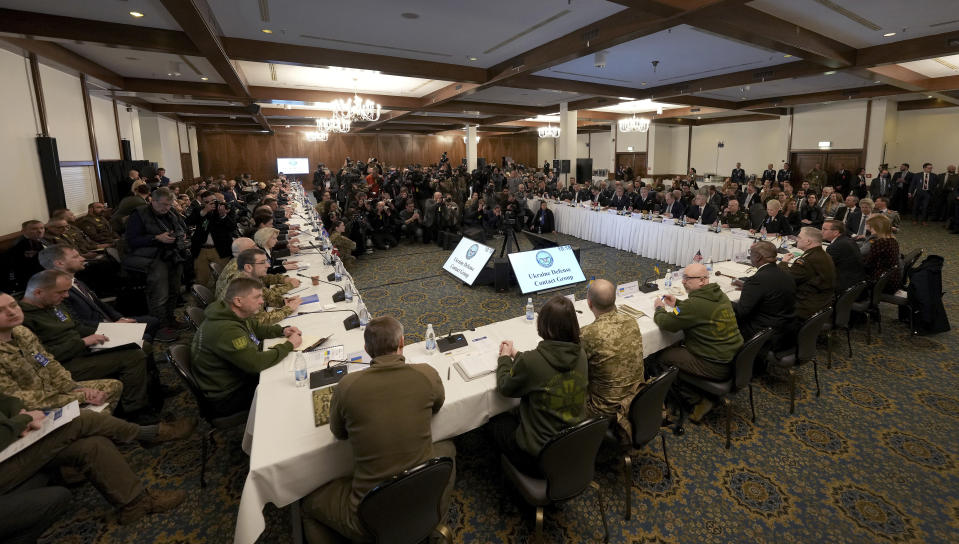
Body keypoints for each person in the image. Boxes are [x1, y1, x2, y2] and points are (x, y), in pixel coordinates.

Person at [301, 316, 454, 543]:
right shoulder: (427, 374)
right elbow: (437, 404)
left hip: (367, 516)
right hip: (419, 495)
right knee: (448, 448)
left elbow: (339, 432)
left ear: (366, 349)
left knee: (306, 503)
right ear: (402, 342)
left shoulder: (347, 387)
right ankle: (431, 521)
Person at [0, 391, 192, 530]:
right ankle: (149, 434)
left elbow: (5, 399)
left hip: (11, 443)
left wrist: (18, 413)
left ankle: (135, 504)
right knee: (79, 420)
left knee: (92, 445)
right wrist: (20, 421)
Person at [18, 270, 158, 422]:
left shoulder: (53, 304)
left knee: (141, 344)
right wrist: (83, 342)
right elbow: (41, 356)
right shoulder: (23, 320)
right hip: (63, 364)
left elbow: (78, 327)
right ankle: (135, 411)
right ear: (38, 292)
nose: (66, 296)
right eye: (61, 292)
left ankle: (151, 395)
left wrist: (113, 329)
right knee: (133, 357)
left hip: (82, 349)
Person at [489, 296, 587, 476]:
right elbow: (541, 362)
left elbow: (505, 387)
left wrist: (504, 358)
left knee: (495, 421)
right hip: (574, 444)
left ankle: (506, 482)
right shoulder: (581, 353)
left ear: (544, 326)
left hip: (538, 457)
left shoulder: (531, 361)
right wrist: (516, 354)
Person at [191, 277, 302, 417]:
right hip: (227, 395)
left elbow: (256, 328)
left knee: (285, 372)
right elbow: (256, 363)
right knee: (288, 385)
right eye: (257, 297)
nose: (262, 301)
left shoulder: (233, 312)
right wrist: (289, 345)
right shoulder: (226, 330)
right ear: (238, 301)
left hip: (237, 377)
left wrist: (282, 331)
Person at [651, 263, 743, 420]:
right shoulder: (718, 294)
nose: (682, 281)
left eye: (687, 278)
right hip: (732, 359)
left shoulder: (694, 305)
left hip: (714, 365)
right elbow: (691, 311)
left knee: (659, 357)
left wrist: (659, 309)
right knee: (677, 348)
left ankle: (697, 400)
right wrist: (677, 305)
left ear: (702, 280)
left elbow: (666, 323)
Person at [38, 245, 171, 344]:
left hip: (108, 322)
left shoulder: (75, 280)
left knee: (152, 321)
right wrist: (112, 326)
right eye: (75, 256)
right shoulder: (55, 290)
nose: (82, 258)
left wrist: (120, 318)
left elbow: (99, 304)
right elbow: (76, 323)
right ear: (59, 263)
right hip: (94, 331)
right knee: (145, 337)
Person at [580, 280, 644, 442]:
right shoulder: (631, 322)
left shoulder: (587, 334)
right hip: (636, 399)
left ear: (589, 303)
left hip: (605, 410)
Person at [124, 188, 191, 334]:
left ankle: (170, 319)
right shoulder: (139, 214)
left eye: (169, 204)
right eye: (163, 205)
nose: (166, 208)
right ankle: (160, 326)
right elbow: (131, 241)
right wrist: (156, 238)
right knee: (160, 294)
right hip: (152, 257)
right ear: (152, 201)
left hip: (173, 255)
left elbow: (181, 228)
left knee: (174, 291)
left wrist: (181, 236)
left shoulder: (171, 212)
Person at [731, 241, 796, 343]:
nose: (750, 256)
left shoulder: (757, 280)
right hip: (786, 329)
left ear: (758, 257)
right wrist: (749, 288)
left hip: (764, 333)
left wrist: (724, 300)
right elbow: (770, 289)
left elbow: (741, 312)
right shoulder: (786, 273)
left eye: (750, 252)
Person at [228, 249, 302, 325]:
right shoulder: (242, 286)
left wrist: (283, 301)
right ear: (248, 267)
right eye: (262, 262)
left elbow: (267, 295)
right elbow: (260, 321)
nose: (268, 265)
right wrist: (287, 310)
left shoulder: (251, 277)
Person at [779, 227, 836, 319]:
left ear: (808, 242)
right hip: (822, 301)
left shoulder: (807, 260)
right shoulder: (823, 254)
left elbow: (785, 280)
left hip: (806, 305)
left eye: (799, 237)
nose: (796, 239)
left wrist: (784, 263)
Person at [186, 191, 235, 288]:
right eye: (207, 202)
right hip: (201, 249)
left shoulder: (225, 208)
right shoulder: (199, 210)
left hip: (220, 249)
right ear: (203, 203)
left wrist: (223, 215)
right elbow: (188, 222)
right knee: (201, 279)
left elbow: (232, 227)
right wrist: (204, 211)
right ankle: (203, 300)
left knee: (223, 277)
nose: (211, 204)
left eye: (213, 201)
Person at [822, 220, 866, 296]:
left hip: (844, 286)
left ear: (836, 232)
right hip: (856, 282)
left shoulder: (836, 246)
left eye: (824, 229)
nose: (821, 231)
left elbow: (823, 269)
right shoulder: (848, 240)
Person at [4, 221, 48, 293]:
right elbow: (23, 267)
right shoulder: (21, 245)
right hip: (29, 281)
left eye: (42, 228)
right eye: (34, 229)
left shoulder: (39, 239)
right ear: (23, 231)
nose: (40, 231)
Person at [862, 214, 901, 294]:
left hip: (881, 282)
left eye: (869, 224)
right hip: (892, 279)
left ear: (875, 226)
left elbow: (868, 264)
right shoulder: (892, 239)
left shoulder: (879, 242)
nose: (867, 225)